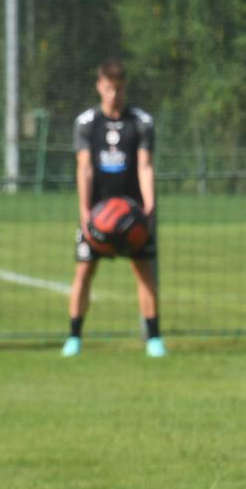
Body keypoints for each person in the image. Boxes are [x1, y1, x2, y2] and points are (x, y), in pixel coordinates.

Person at [64, 60, 162, 358]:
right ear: (99, 87)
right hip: (98, 216)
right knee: (84, 272)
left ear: (124, 88)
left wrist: (149, 205)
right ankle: (74, 338)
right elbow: (85, 169)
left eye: (118, 89)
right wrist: (84, 210)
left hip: (132, 215)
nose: (113, 95)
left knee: (144, 271)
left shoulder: (141, 121)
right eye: (108, 89)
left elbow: (145, 166)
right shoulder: (86, 123)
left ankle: (155, 339)